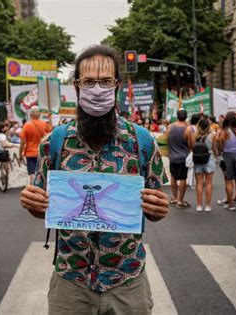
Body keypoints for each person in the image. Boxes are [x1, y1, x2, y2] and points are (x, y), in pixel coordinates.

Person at [20, 45, 169, 314]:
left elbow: (156, 207)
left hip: (127, 279)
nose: (97, 89)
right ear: (76, 86)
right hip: (70, 282)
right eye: (89, 82)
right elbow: (40, 206)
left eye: (105, 81)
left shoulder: (142, 141)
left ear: (117, 85)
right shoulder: (53, 143)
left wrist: (159, 209)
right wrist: (32, 203)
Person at [166, 109, 194, 208]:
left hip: (172, 156)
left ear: (177, 116)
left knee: (173, 177)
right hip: (184, 157)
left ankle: (174, 198)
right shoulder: (188, 129)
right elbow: (191, 144)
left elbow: (166, 140)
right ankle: (180, 200)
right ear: (186, 117)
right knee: (183, 178)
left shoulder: (170, 127)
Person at [19, 106, 52, 183]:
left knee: (32, 173)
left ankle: (33, 187)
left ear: (30, 115)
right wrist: (49, 118)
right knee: (43, 171)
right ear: (39, 114)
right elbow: (51, 134)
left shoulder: (26, 125)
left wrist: (20, 154)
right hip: (42, 152)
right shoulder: (44, 124)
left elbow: (23, 142)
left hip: (30, 153)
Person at [193, 118, 217, 212]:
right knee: (208, 183)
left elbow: (192, 147)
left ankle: (199, 205)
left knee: (199, 183)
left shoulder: (195, 135)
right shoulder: (213, 135)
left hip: (197, 158)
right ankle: (207, 205)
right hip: (209, 158)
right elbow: (214, 148)